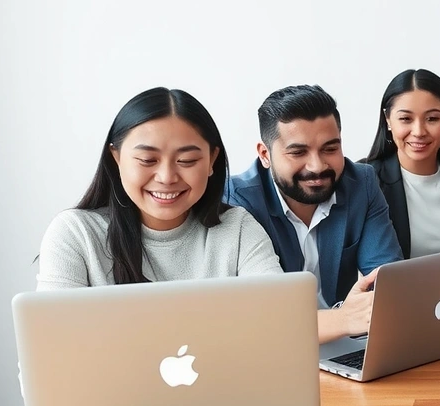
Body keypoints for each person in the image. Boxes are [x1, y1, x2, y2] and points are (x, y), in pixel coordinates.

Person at [36, 88, 282, 290]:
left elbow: (279, 317)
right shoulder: (76, 234)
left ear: (211, 161)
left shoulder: (237, 229)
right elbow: (55, 343)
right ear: (116, 158)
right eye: (147, 160)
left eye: (186, 161)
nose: (166, 177)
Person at [224, 85, 402, 343]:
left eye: (330, 149)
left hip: (344, 345)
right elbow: (259, 314)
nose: (317, 166)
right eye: (298, 152)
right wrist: (345, 318)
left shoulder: (361, 183)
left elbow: (389, 283)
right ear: (265, 155)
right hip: (276, 349)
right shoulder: (237, 200)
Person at [362, 69, 440, 258]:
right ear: (388, 120)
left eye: (432, 119)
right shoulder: (366, 181)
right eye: (406, 119)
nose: (419, 131)